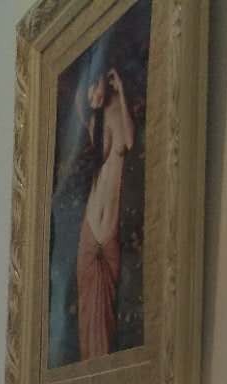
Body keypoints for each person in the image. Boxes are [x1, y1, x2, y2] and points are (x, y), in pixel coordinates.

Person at [73, 51, 135, 361]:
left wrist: (121, 93)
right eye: (87, 90)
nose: (90, 96)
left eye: (93, 86)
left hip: (106, 228)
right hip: (90, 225)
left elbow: (130, 143)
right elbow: (79, 107)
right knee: (87, 309)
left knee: (104, 317)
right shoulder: (95, 123)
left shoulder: (117, 116)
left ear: (106, 81)